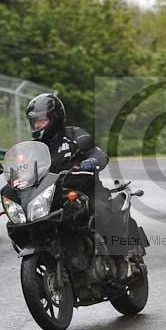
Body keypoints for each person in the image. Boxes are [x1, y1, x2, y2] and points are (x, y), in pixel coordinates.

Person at [25, 93, 127, 252]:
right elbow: (24, 168)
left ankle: (120, 256)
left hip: (87, 191)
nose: (37, 125)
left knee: (100, 214)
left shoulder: (74, 135)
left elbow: (98, 153)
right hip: (53, 198)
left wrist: (92, 161)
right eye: (34, 121)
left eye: (41, 120)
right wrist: (16, 178)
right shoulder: (34, 148)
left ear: (55, 117)